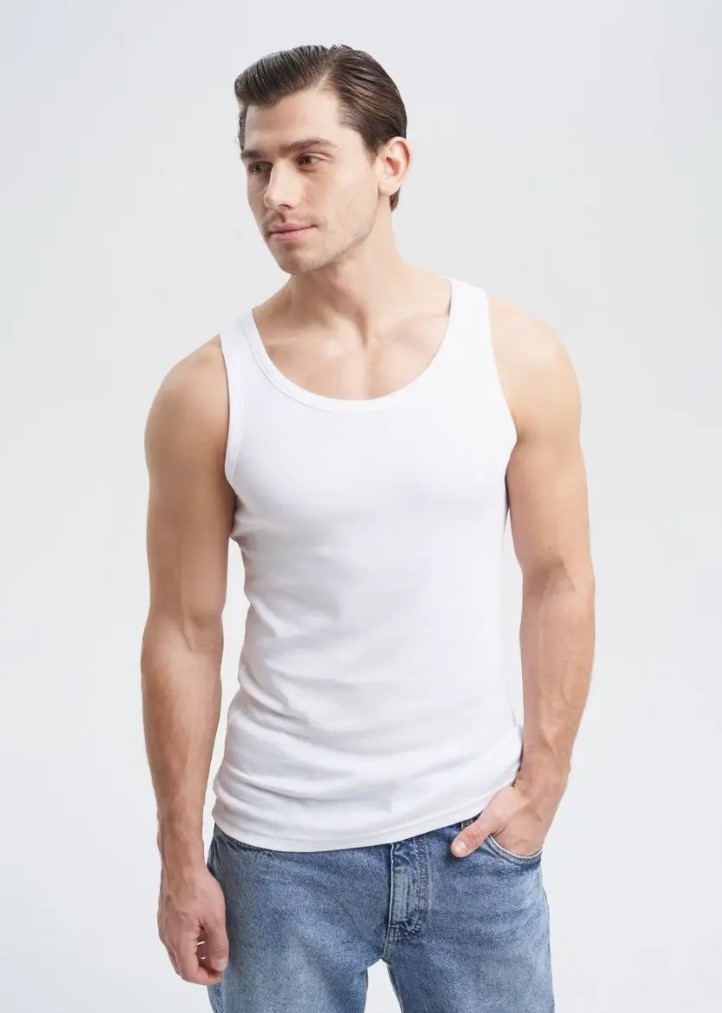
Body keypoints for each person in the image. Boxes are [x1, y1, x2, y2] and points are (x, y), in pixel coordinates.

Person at [141, 43, 595, 1013]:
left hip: (474, 838)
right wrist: (180, 856)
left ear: (392, 164)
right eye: (258, 166)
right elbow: (182, 629)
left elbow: (558, 576)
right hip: (277, 861)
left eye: (308, 159)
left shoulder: (512, 355)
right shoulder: (206, 390)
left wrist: (544, 780)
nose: (276, 193)